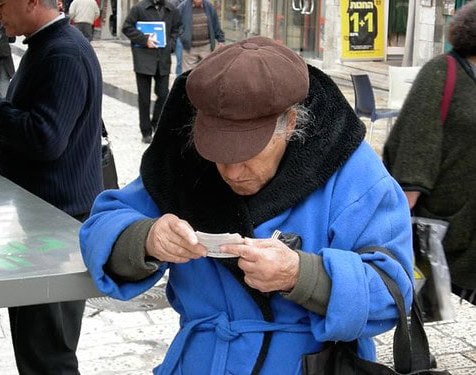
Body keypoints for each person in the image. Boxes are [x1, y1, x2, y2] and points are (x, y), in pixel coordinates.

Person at [80, 36, 414, 374]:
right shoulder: (183, 163)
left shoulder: (352, 171)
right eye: (218, 154)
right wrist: (147, 238)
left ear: (291, 124)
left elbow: (392, 293)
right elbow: (101, 226)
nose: (232, 171)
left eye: (248, 153)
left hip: (313, 364)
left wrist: (300, 274)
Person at [0, 0, 104, 373]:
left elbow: (46, 137)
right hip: (40, 219)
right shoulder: (45, 45)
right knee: (35, 347)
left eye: (0, 4)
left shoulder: (62, 52)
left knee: (48, 356)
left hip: (58, 225)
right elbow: (33, 114)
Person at [383, 1, 476, 305]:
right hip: (446, 225)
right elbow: (414, 145)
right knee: (433, 308)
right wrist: (400, 220)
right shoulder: (443, 71)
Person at [122, 0, 181, 143]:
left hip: (163, 59)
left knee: (163, 95)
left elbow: (177, 28)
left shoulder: (171, 9)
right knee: (144, 97)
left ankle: (156, 123)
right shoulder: (139, 8)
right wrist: (144, 39)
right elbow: (127, 27)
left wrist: (171, 45)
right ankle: (146, 131)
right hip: (143, 59)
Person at [177, 0, 224, 71]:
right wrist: (183, 36)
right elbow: (176, 24)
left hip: (206, 48)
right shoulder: (182, 7)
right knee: (188, 75)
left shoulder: (209, 6)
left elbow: (216, 25)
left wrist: (221, 40)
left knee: (207, 72)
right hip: (189, 49)